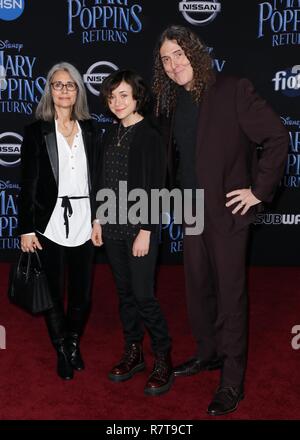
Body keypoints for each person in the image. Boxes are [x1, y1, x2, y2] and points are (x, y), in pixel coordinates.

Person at [152, 25, 289, 414]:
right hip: (190, 210)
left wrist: (258, 192)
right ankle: (208, 353)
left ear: (194, 52)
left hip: (228, 211)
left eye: (178, 54)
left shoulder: (232, 89)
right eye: (166, 59)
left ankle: (232, 381)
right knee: (197, 290)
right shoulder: (172, 101)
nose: (174, 64)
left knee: (231, 295)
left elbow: (278, 138)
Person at [91, 69, 173, 396]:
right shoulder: (110, 134)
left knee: (143, 295)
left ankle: (163, 357)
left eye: (124, 95)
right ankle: (134, 351)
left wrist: (146, 230)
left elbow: (157, 187)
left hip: (140, 230)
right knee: (125, 295)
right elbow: (102, 180)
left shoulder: (150, 135)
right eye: (112, 97)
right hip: (111, 226)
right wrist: (98, 220)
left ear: (137, 96)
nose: (118, 102)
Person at [18, 62, 100, 380]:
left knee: (83, 293)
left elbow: (100, 180)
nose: (64, 90)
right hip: (48, 222)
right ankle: (63, 349)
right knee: (53, 292)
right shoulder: (36, 131)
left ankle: (73, 340)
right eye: (58, 84)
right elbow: (27, 184)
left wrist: (100, 219)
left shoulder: (91, 130)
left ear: (78, 90)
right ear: (49, 90)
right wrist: (26, 228)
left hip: (84, 220)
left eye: (70, 85)